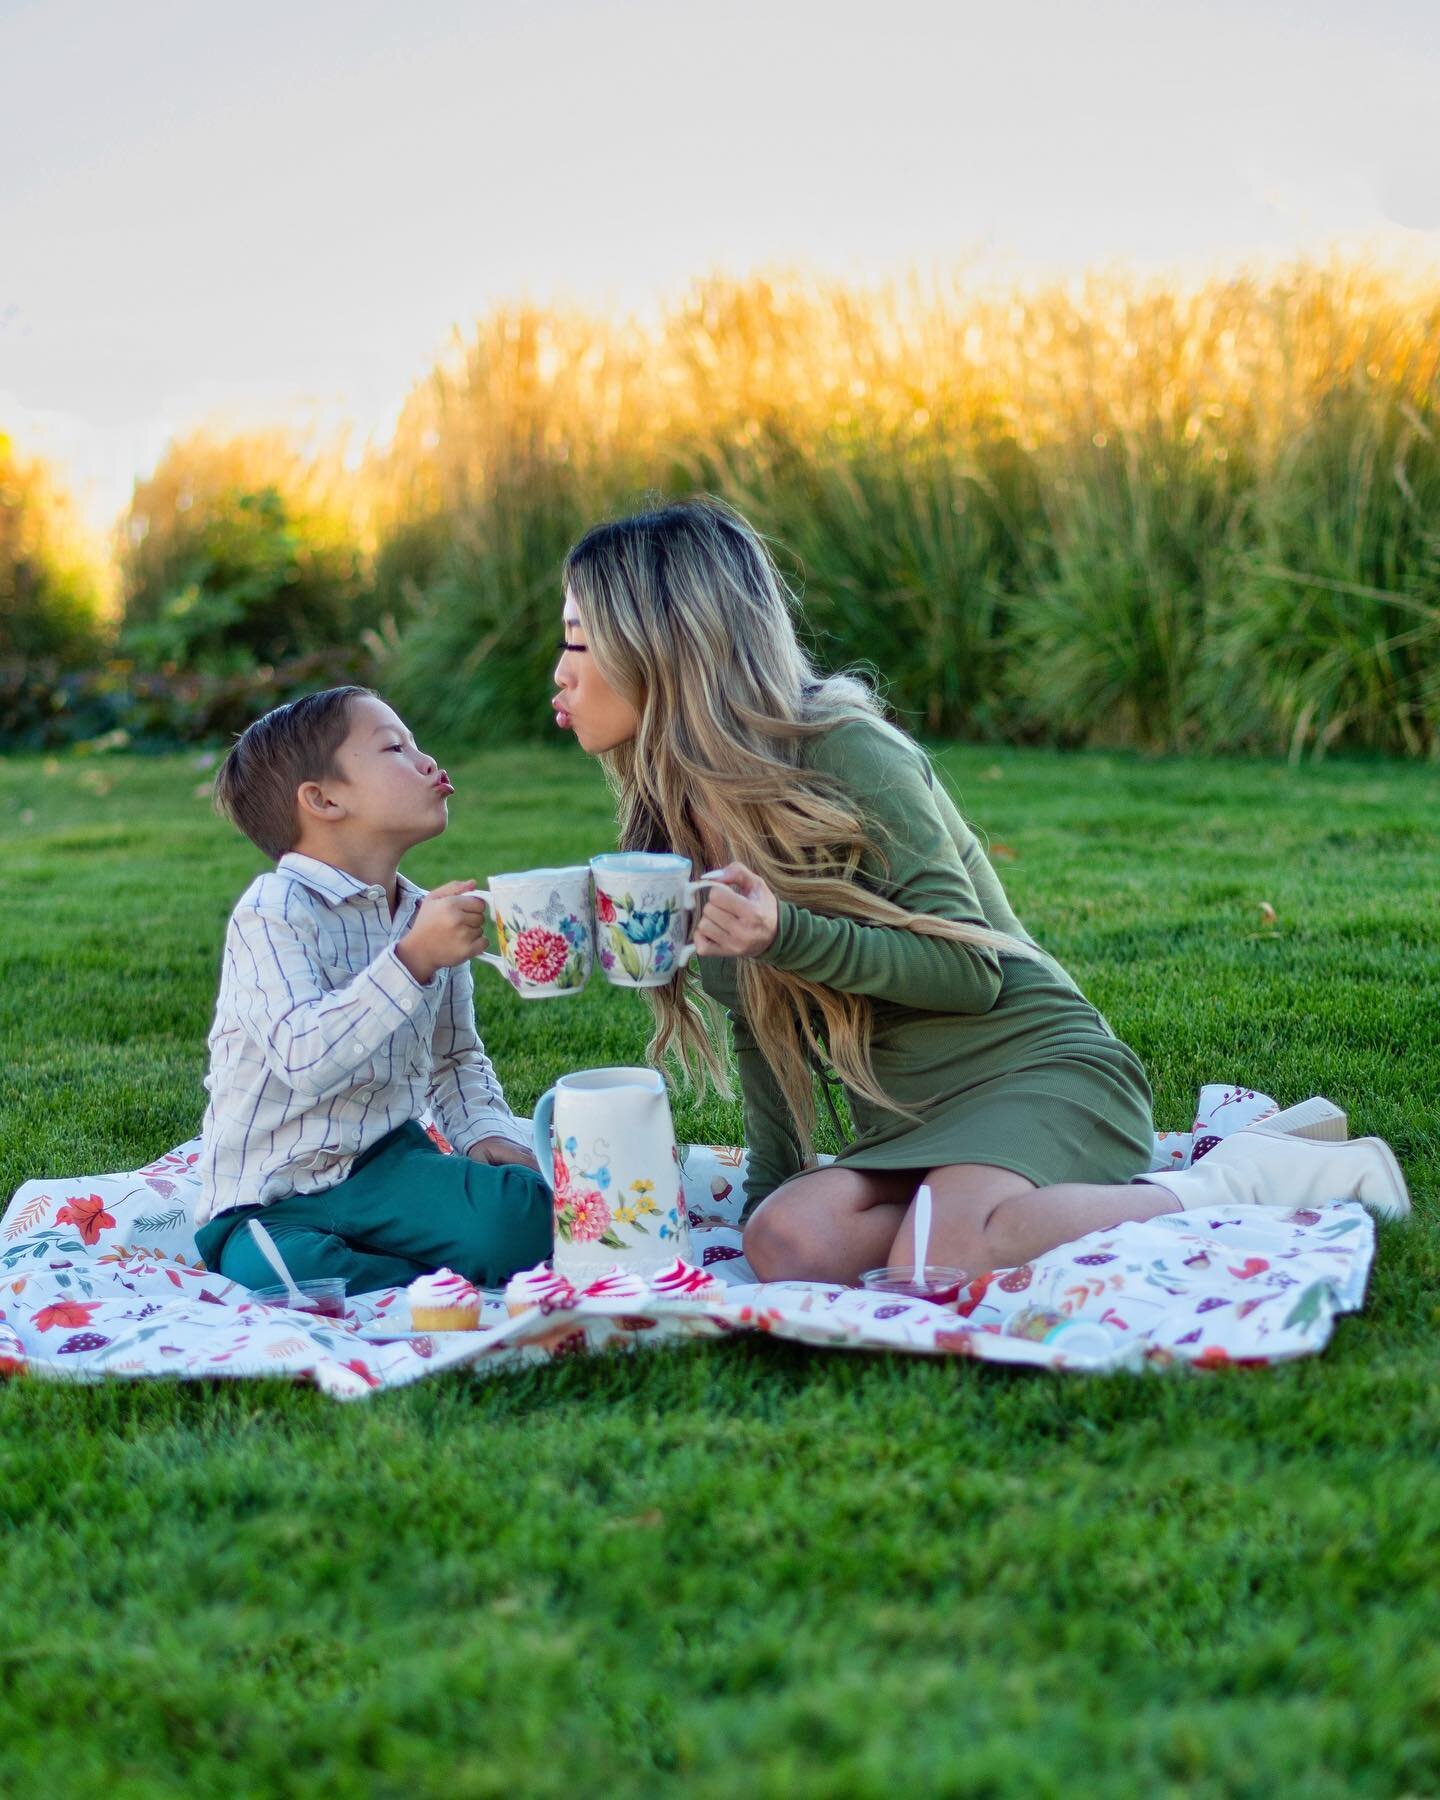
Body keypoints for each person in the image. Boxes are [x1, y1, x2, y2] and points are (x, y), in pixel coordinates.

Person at [552, 497, 1410, 1285]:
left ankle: (1251, 1177)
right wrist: (761, 1207)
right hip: (911, 1127)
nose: (559, 669)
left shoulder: (849, 750)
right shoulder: (674, 831)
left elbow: (971, 975)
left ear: (659, 647)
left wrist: (786, 933)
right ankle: (977, 1208)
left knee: (946, 1257)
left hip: (1036, 1067)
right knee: (787, 1247)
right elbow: (762, 1034)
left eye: (578, 642)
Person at [192, 686, 552, 1293]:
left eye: (417, 745)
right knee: (282, 1275)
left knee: (529, 1218)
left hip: (386, 1165)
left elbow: (456, 1058)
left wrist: (484, 1132)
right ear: (324, 799)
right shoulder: (273, 910)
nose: (428, 762)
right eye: (395, 747)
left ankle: (397, 1270)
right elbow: (303, 1057)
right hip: (273, 1193)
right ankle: (424, 1276)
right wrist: (412, 960)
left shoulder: (423, 914)